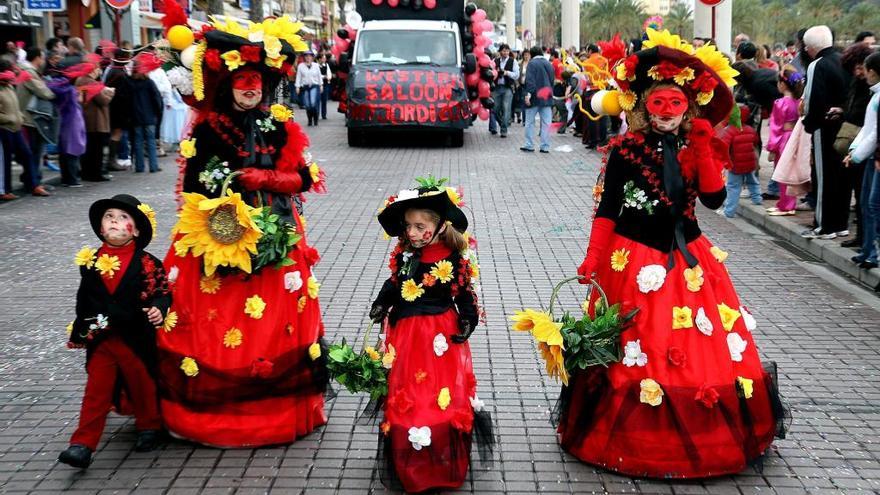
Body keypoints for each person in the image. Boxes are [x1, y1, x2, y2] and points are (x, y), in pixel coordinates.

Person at [564, 33, 788, 478]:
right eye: (658, 103)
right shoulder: (625, 150)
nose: (666, 113)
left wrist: (703, 149)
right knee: (635, 346)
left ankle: (697, 437)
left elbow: (713, 198)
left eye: (675, 103)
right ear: (645, 106)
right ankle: (633, 436)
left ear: (688, 106)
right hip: (632, 261)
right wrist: (593, 255)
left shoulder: (698, 144)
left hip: (687, 262)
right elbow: (609, 207)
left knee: (695, 350)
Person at [156, 19, 328, 448]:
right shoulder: (209, 129)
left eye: (256, 82)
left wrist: (263, 179)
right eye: (242, 81)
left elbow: (305, 177)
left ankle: (276, 411)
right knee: (218, 321)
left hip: (276, 233)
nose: (250, 88)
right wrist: (226, 198)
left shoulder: (278, 125)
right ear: (229, 84)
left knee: (274, 323)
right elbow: (194, 188)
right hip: (218, 237)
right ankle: (212, 415)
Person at [371, 177, 491, 492]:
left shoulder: (453, 256)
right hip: (407, 336)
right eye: (408, 226)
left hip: (440, 337)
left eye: (419, 225)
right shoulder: (406, 254)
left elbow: (463, 292)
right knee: (409, 392)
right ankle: (411, 459)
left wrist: (468, 318)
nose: (411, 232)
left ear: (438, 226)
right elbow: (395, 283)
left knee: (440, 394)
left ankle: (440, 460)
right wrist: (382, 303)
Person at [58, 194, 171, 469]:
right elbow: (84, 298)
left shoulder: (147, 262)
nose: (115, 222)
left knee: (142, 382)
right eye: (109, 217)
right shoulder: (90, 261)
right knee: (96, 390)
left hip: (135, 336)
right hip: (102, 338)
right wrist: (81, 331)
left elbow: (162, 291)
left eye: (123, 218)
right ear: (100, 227)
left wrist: (159, 308)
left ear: (137, 229)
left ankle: (149, 426)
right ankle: (82, 445)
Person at [801, 25, 850, 240]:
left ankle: (824, 225)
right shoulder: (844, 60)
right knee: (842, 176)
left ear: (810, 47)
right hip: (845, 127)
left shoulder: (816, 65)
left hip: (825, 127)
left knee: (824, 177)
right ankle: (841, 224)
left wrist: (809, 124)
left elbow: (813, 99)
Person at [835, 43, 876, 249]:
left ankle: (867, 242)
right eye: (856, 68)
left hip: (866, 148)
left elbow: (871, 127)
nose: (858, 72)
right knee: (861, 197)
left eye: (861, 68)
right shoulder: (858, 86)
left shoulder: (872, 92)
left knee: (867, 198)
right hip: (858, 145)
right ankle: (862, 238)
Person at [844, 52, 880, 269]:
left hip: (874, 157)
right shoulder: (874, 95)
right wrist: (855, 150)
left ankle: (872, 252)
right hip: (871, 156)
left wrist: (857, 154)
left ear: (872, 71)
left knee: (873, 205)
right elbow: (869, 130)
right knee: (867, 204)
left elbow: (875, 132)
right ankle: (867, 249)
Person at [766, 66, 805, 216]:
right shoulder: (798, 101)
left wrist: (772, 148)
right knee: (790, 173)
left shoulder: (780, 103)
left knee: (782, 173)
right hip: (795, 137)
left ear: (782, 84)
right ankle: (787, 203)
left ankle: (786, 205)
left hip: (783, 138)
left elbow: (775, 127)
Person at [17, 47, 55, 196]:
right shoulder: (29, 72)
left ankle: (31, 180)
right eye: (43, 57)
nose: (44, 60)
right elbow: (44, 92)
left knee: (33, 152)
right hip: (31, 118)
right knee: (36, 151)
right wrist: (53, 91)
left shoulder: (24, 70)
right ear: (38, 58)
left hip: (27, 116)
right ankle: (34, 183)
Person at [720, 105, 762, 218]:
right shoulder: (750, 129)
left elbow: (723, 147)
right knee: (753, 181)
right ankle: (757, 199)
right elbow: (755, 143)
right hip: (750, 163)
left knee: (733, 187)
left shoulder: (729, 131)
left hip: (735, 165)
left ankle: (729, 211)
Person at [76, 60, 115, 181]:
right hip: (96, 121)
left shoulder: (79, 80)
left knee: (88, 149)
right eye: (97, 69)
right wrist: (111, 93)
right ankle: (95, 174)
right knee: (96, 149)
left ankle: (86, 172)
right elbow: (103, 101)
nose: (99, 71)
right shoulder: (91, 82)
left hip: (85, 119)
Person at [0, 61, 31, 201]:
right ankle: (6, 190)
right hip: (5, 129)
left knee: (27, 154)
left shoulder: (9, 87)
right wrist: (10, 118)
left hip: (16, 128)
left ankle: (33, 184)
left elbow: (15, 105)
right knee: (5, 161)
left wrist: (19, 115)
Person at [129, 54, 163, 173]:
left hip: (135, 117)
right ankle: (153, 166)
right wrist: (158, 113)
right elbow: (157, 99)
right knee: (151, 142)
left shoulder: (129, 83)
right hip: (149, 116)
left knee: (138, 142)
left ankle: (139, 166)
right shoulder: (149, 82)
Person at [522, 46, 554, 153]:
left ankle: (529, 144)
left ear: (531, 54)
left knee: (530, 122)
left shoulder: (532, 64)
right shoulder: (548, 63)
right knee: (546, 123)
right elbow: (552, 80)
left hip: (535, 97)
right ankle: (545, 146)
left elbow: (530, 80)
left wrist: (529, 94)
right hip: (547, 97)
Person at [489, 44, 519, 138]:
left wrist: (506, 73)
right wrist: (495, 73)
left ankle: (503, 130)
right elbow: (490, 72)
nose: (505, 52)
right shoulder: (495, 61)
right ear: (500, 51)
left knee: (506, 109)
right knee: (494, 109)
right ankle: (503, 123)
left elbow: (516, 75)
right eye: (504, 50)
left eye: (507, 51)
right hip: (497, 87)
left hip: (507, 88)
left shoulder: (513, 61)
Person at [295, 51, 323, 126]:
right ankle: (310, 120)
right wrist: (297, 86)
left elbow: (319, 76)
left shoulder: (316, 65)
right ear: (304, 57)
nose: (308, 57)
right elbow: (298, 77)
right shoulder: (301, 66)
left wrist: (321, 85)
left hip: (314, 86)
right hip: (305, 87)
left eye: (310, 56)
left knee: (313, 104)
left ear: (312, 57)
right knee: (307, 105)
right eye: (306, 56)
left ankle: (315, 119)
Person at [317, 53, 332, 120]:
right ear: (319, 59)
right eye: (323, 58)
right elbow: (317, 75)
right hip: (318, 85)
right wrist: (324, 76)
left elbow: (329, 73)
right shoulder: (316, 66)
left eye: (325, 58)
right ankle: (316, 114)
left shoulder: (326, 65)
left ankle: (324, 114)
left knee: (324, 100)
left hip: (325, 84)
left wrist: (328, 77)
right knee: (317, 100)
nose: (325, 59)